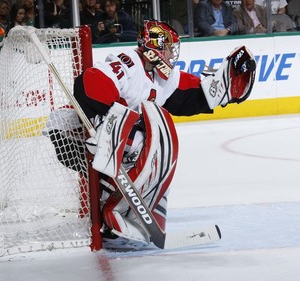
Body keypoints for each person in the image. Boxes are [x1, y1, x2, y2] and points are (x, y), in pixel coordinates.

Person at [45, 20, 256, 248]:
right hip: (72, 134)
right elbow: (90, 82)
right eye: (168, 49)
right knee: (146, 141)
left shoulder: (160, 77)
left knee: (157, 144)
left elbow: (185, 94)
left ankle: (134, 213)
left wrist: (219, 90)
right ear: (153, 47)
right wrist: (107, 123)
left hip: (104, 140)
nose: (171, 55)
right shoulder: (128, 63)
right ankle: (112, 212)